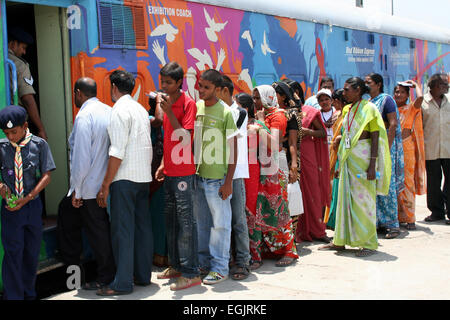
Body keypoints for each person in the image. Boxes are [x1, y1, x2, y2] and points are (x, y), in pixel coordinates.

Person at [96, 70, 153, 296]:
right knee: (142, 228)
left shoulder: (118, 111)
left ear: (113, 88)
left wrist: (106, 183)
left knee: (122, 231)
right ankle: (142, 275)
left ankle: (121, 283)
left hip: (124, 178)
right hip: (142, 177)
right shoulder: (139, 109)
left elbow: (117, 151)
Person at [319, 77, 391, 257]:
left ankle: (368, 243)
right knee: (344, 201)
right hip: (347, 160)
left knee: (364, 202)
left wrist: (372, 164)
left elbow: (375, 137)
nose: (343, 93)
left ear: (358, 90)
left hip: (364, 159)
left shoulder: (370, 109)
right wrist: (339, 162)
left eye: (347, 90)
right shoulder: (346, 109)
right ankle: (340, 241)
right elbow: (347, 135)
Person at [0, 105, 55, 300]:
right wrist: (2, 189)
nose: (11, 137)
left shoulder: (39, 145)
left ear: (24, 126)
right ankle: (13, 296)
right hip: (11, 208)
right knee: (13, 254)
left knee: (31, 254)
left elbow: (47, 175)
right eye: (7, 133)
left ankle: (29, 294)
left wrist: (29, 197)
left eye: (14, 132)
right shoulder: (2, 147)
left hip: (31, 206)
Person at [154, 62, 201, 290]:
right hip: (171, 170)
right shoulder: (167, 101)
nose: (164, 85)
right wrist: (163, 163)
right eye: (162, 81)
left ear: (179, 82)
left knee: (185, 224)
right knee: (171, 223)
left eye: (168, 82)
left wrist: (170, 111)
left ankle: (191, 272)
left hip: (184, 172)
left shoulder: (187, 103)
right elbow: (168, 136)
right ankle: (176, 266)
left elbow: (184, 137)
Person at [66, 77, 116, 290]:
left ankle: (105, 276)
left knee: (98, 234)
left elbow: (81, 158)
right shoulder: (108, 110)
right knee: (107, 231)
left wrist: (76, 189)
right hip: (109, 183)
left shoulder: (84, 116)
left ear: (78, 93)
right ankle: (113, 272)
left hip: (90, 187)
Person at [194, 69, 239, 285]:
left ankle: (220, 268)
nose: (201, 90)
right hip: (199, 177)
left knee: (220, 225)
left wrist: (228, 181)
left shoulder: (226, 113)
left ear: (217, 89)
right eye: (200, 85)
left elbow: (234, 149)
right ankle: (204, 264)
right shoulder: (198, 107)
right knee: (202, 224)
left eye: (206, 87)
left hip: (218, 180)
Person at [250, 85, 299, 268]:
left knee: (278, 208)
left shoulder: (277, 115)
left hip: (273, 167)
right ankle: (267, 249)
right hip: (262, 165)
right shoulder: (264, 115)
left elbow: (274, 143)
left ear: (267, 97)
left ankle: (288, 250)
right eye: (254, 98)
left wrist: (261, 124)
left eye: (258, 98)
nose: (255, 102)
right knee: (262, 207)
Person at [216, 75, 251, 281]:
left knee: (238, 219)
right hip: (217, 173)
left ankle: (243, 261)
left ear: (225, 91)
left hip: (235, 173)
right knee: (221, 219)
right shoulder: (217, 110)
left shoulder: (239, 112)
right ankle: (225, 258)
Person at [366, 73, 404, 239]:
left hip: (385, 147)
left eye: (369, 83)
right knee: (375, 185)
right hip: (374, 147)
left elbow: (393, 124)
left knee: (386, 185)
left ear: (378, 84)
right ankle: (378, 222)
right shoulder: (369, 102)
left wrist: (386, 150)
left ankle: (392, 225)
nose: (366, 85)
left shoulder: (386, 100)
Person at [296, 90, 331, 243]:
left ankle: (317, 230)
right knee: (297, 194)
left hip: (308, 154)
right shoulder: (285, 112)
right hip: (293, 155)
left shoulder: (310, 112)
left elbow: (322, 133)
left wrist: (307, 131)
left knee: (313, 192)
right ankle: (298, 230)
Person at [393, 80, 426, 230]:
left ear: (407, 95)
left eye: (402, 92)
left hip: (406, 148)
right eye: (396, 91)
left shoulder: (411, 108)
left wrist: (415, 85)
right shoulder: (391, 108)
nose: (398, 94)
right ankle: (399, 217)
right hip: (393, 148)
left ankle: (410, 218)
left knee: (407, 183)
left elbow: (420, 99)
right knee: (394, 183)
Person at [7, 27, 47, 140]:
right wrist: (41, 129)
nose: (24, 52)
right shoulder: (19, 65)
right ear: (13, 44)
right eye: (23, 47)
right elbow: (27, 98)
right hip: (15, 123)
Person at [421, 73, 450, 225]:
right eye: (444, 84)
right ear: (435, 86)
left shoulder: (449, 101)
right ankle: (437, 212)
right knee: (433, 182)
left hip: (448, 148)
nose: (447, 86)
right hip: (430, 148)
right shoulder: (423, 103)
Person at [147, 92, 168, 268]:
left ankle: (158, 254)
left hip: (154, 174)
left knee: (157, 216)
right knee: (159, 216)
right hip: (161, 174)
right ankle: (162, 254)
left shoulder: (153, 119)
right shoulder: (165, 120)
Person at [324, 89, 346, 229]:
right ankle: (332, 219)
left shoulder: (346, 115)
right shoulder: (338, 114)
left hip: (341, 155)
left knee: (337, 187)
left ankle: (335, 219)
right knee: (333, 188)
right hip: (335, 153)